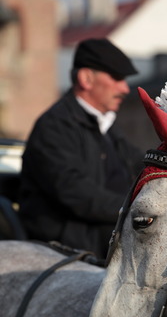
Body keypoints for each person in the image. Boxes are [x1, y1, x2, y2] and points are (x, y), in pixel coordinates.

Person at [18, 38, 143, 261]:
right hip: (69, 249)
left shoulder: (107, 126)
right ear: (86, 78)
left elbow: (140, 164)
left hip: (107, 236)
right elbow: (77, 195)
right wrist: (137, 209)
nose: (125, 88)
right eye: (116, 78)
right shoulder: (54, 126)